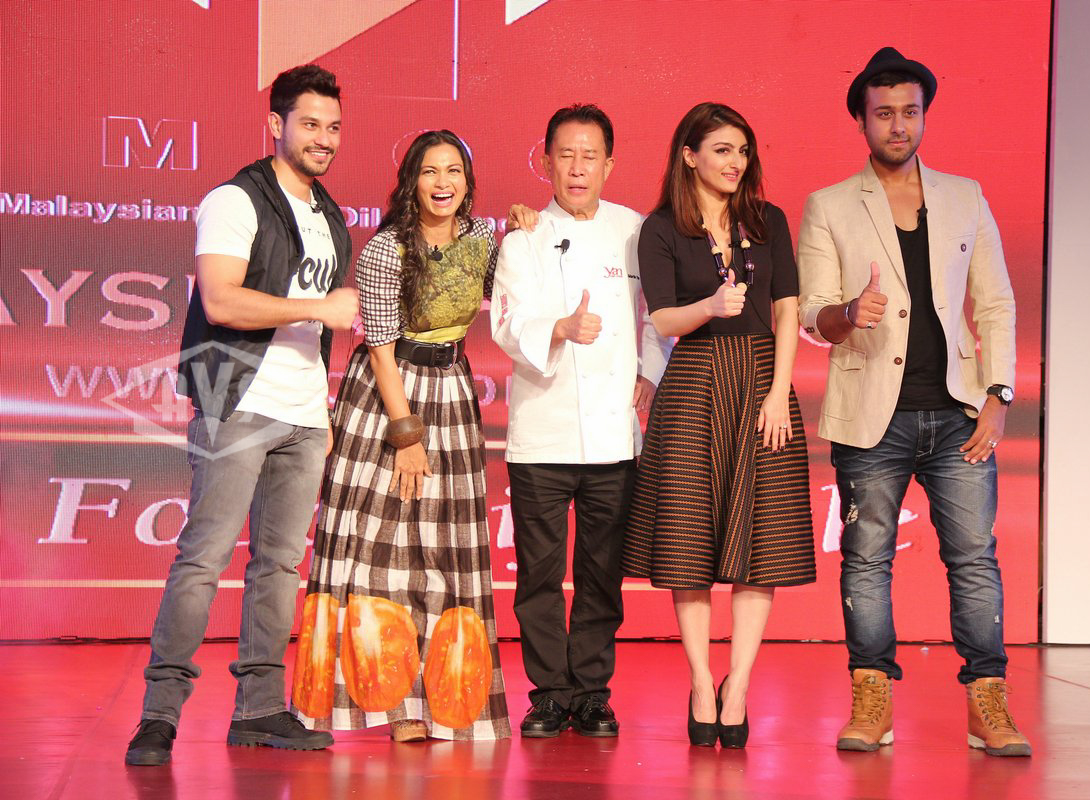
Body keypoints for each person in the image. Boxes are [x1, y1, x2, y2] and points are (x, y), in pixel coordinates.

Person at [796, 47, 1030, 757]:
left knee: (975, 559)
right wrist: (847, 313)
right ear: (861, 122)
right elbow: (810, 316)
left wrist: (999, 394)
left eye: (909, 112)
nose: (898, 125)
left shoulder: (965, 196)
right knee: (867, 561)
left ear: (923, 115)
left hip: (959, 412)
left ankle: (988, 704)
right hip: (873, 416)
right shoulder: (830, 205)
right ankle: (872, 699)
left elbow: (995, 303)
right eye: (884, 114)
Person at [125, 64, 358, 766]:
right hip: (236, 400)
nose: (324, 139)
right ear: (276, 125)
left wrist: (321, 395)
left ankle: (259, 709)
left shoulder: (329, 214)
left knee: (279, 566)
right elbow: (222, 300)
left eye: (333, 127)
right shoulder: (234, 199)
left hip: (303, 412)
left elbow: (317, 324)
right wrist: (318, 307)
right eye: (310, 124)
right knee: (203, 558)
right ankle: (159, 715)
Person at [290, 129, 509, 742]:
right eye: (430, 171)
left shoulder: (482, 239)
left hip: (452, 391)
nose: (443, 183)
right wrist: (406, 434)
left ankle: (442, 702)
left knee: (445, 548)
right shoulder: (387, 249)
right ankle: (388, 704)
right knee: (377, 547)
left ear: (467, 182)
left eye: (453, 171)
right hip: (389, 397)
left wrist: (525, 229)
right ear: (411, 181)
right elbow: (382, 351)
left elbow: (515, 295)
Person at [622, 102, 816, 749]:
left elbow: (786, 310)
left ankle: (740, 685)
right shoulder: (661, 228)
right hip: (694, 383)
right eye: (723, 150)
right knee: (689, 543)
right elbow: (662, 320)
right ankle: (703, 682)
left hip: (761, 381)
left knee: (761, 545)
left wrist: (779, 392)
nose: (736, 162)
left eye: (743, 151)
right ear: (690, 155)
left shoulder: (768, 220)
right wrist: (709, 304)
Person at [490, 104, 672, 738]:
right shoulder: (523, 238)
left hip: (614, 433)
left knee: (601, 573)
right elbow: (507, 324)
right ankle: (549, 693)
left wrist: (650, 371)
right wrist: (560, 328)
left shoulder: (635, 230)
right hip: (541, 433)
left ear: (609, 165)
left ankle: (592, 691)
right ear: (545, 161)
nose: (576, 167)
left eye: (589, 156)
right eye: (565, 154)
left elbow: (656, 314)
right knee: (539, 576)